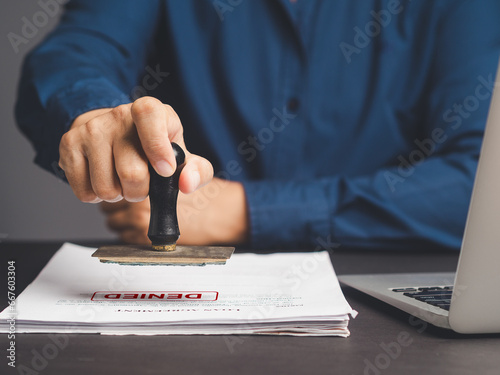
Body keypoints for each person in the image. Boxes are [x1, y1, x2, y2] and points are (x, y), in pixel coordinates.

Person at [16, 0, 500, 250]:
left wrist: (247, 211)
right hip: (191, 311)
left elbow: (482, 190)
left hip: (387, 305)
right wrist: (97, 116)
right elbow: (76, 52)